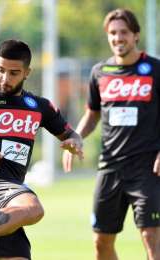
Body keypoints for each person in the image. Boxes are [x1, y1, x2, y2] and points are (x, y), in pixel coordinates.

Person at [0, 39, 83, 260]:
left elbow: (69, 134)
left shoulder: (39, 106)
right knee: (33, 207)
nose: (4, 78)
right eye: (0, 70)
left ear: (27, 72)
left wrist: (75, 141)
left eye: (13, 73)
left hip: (10, 199)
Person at [62, 8, 160, 260]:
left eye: (124, 32)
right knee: (101, 242)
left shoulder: (155, 69)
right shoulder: (99, 72)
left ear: (136, 35)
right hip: (110, 168)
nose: (118, 38)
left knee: (151, 238)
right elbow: (92, 114)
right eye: (113, 33)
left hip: (147, 169)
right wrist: (75, 136)